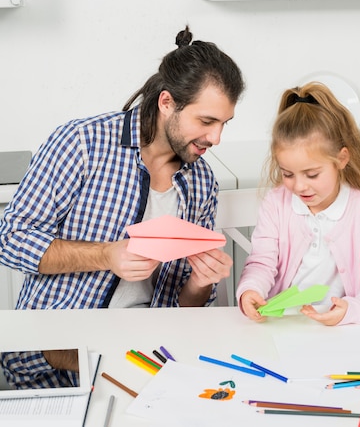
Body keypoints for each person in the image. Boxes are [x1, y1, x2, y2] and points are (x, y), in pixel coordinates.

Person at [0, 25, 244, 387]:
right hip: (56, 360)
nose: (216, 138)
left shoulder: (201, 182)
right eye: (206, 121)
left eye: (224, 123)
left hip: (149, 364)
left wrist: (200, 282)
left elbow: (187, 311)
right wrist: (107, 255)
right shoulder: (82, 143)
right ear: (166, 103)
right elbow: (10, 239)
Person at [237, 82, 360, 327]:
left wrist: (355, 308)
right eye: (288, 174)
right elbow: (262, 262)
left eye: (312, 175)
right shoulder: (276, 203)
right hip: (282, 326)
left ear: (341, 159)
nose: (299, 186)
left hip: (339, 328)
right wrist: (250, 289)